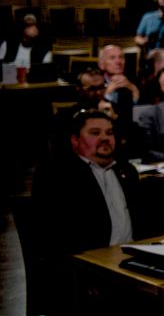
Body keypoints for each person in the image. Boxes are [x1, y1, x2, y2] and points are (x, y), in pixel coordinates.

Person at [34, 110, 149, 303]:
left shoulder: (126, 171)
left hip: (131, 261)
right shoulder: (58, 175)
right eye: (95, 133)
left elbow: (143, 222)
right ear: (75, 141)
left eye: (109, 133)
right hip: (85, 271)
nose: (104, 138)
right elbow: (54, 237)